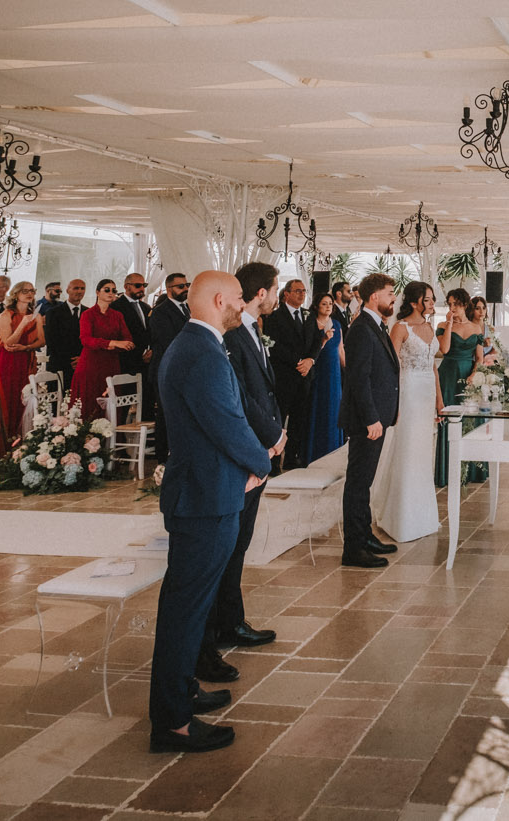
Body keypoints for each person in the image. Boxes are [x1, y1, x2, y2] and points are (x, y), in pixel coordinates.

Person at [147, 270, 273, 755]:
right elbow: (227, 421)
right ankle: (172, 722)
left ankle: (182, 693)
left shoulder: (198, 343)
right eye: (239, 298)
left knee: (191, 608)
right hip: (205, 497)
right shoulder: (199, 351)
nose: (244, 305)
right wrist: (262, 462)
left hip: (206, 491)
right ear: (219, 300)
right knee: (184, 611)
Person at [204, 261, 286, 666]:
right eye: (276, 289)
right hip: (247, 450)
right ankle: (223, 625)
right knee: (230, 542)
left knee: (239, 541)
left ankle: (230, 619)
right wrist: (271, 437)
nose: (278, 295)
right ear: (261, 294)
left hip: (258, 447)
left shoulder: (254, 331)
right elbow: (241, 398)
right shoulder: (233, 336)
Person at [369, 281, 440, 545]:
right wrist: (392, 403)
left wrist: (439, 402)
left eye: (433, 300)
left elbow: (433, 367)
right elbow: (389, 367)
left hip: (427, 395)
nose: (432, 304)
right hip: (408, 393)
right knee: (407, 451)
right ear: (414, 302)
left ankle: (423, 517)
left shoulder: (430, 327)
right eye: (428, 299)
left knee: (422, 454)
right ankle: (400, 519)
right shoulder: (400, 328)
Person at [338, 274, 399, 569]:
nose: (394, 298)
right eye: (390, 293)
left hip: (377, 417)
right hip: (367, 419)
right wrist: (372, 417)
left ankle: (364, 536)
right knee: (358, 482)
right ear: (374, 296)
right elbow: (358, 378)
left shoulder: (374, 324)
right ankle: (353, 548)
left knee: (365, 481)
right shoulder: (362, 328)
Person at [434, 289, 489, 488]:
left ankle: (473, 471)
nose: (452, 308)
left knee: (471, 419)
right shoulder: (442, 325)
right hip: (448, 374)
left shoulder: (476, 328)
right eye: (449, 304)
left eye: (456, 304)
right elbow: (445, 349)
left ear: (465, 305)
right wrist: (449, 323)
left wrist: (474, 374)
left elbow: (480, 358)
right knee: (450, 420)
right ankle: (447, 471)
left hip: (469, 375)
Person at [263, 278, 317, 469]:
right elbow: (273, 344)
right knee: (280, 417)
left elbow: (317, 340)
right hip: (284, 376)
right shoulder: (275, 317)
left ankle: (293, 457)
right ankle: (275, 459)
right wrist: (297, 362)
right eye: (297, 291)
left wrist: (311, 360)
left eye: (303, 291)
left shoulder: (309, 315)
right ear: (286, 294)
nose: (302, 294)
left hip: (305, 376)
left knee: (300, 418)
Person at [0, 282, 44, 461]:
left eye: (32, 291)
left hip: (26, 361)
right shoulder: (6, 315)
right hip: (7, 362)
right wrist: (22, 325)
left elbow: (41, 341)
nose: (29, 294)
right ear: (16, 294)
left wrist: (27, 347)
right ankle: (2, 449)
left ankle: (22, 446)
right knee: (7, 400)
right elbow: (8, 343)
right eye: (25, 291)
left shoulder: (37, 315)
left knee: (23, 401)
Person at [72, 279, 134, 417]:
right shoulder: (87, 314)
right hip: (91, 365)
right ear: (97, 292)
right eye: (107, 289)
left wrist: (116, 346)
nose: (111, 293)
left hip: (111, 365)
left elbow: (127, 340)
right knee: (89, 405)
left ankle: (109, 438)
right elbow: (86, 340)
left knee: (111, 405)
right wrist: (113, 343)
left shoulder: (117, 315)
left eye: (114, 290)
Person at [146, 272, 190, 462]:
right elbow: (167, 341)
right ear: (169, 289)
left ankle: (178, 451)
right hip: (166, 369)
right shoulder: (160, 312)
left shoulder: (187, 309)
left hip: (184, 370)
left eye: (187, 285)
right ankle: (162, 457)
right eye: (180, 286)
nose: (185, 289)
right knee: (165, 413)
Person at [302, 291, 346, 464]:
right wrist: (323, 339)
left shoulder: (336, 324)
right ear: (316, 306)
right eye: (324, 304)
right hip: (319, 371)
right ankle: (315, 451)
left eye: (330, 304)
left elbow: (341, 350)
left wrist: (348, 368)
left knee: (334, 408)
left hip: (334, 372)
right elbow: (308, 350)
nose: (328, 307)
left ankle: (333, 448)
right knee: (318, 408)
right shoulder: (311, 324)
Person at [43, 278, 86, 379]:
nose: (79, 291)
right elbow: (51, 342)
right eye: (76, 288)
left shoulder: (88, 313)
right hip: (60, 366)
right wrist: (71, 361)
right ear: (67, 290)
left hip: (83, 364)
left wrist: (83, 358)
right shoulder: (53, 313)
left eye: (82, 288)